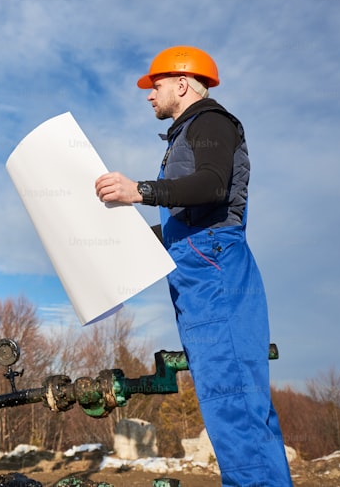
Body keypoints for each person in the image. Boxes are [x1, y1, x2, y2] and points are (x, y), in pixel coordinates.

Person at [94, 45, 293, 486]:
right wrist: (120, 239)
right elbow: (185, 221)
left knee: (234, 402)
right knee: (227, 404)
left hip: (215, 269)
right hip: (198, 270)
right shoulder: (187, 133)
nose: (149, 95)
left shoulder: (211, 122)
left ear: (182, 84)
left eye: (156, 85)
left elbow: (211, 185)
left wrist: (138, 191)